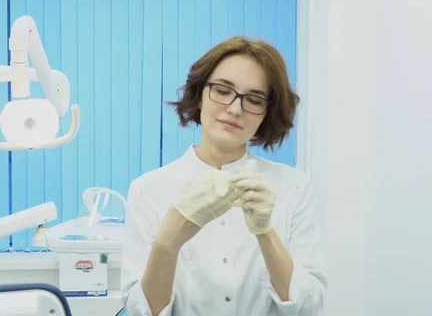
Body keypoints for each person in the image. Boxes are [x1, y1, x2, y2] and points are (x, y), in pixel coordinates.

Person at [120, 36, 327, 316]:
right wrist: (167, 243)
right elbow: (141, 312)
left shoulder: (293, 188)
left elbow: (308, 306)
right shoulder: (148, 190)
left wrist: (265, 232)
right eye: (222, 90)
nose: (234, 109)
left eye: (254, 99)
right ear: (200, 93)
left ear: (267, 113)